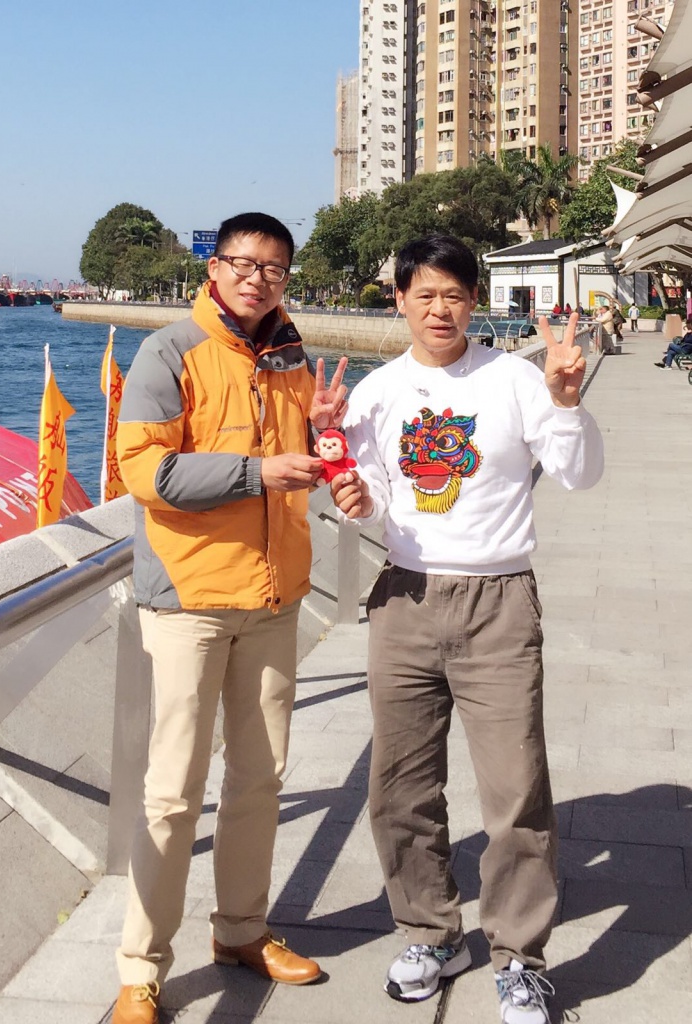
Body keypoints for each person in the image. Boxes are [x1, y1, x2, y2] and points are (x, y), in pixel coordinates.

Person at [329, 235, 603, 1024]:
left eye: (454, 293)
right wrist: (357, 503)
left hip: (499, 600)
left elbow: (580, 474)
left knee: (516, 791)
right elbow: (376, 492)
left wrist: (566, 400)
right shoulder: (378, 392)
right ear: (400, 302)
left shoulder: (516, 379)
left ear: (473, 301)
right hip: (405, 597)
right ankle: (429, 930)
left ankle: (519, 957)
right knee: (401, 786)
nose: (439, 308)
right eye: (424, 294)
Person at [111, 212, 348, 1024]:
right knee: (172, 793)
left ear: (287, 278)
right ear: (213, 269)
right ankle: (141, 969)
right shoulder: (169, 350)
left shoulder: (290, 356)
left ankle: (242, 929)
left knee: (260, 780)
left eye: (274, 269)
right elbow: (141, 468)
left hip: (276, 597)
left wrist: (325, 437)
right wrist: (255, 472)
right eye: (242, 263)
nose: (257, 278)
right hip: (189, 600)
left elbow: (299, 465)